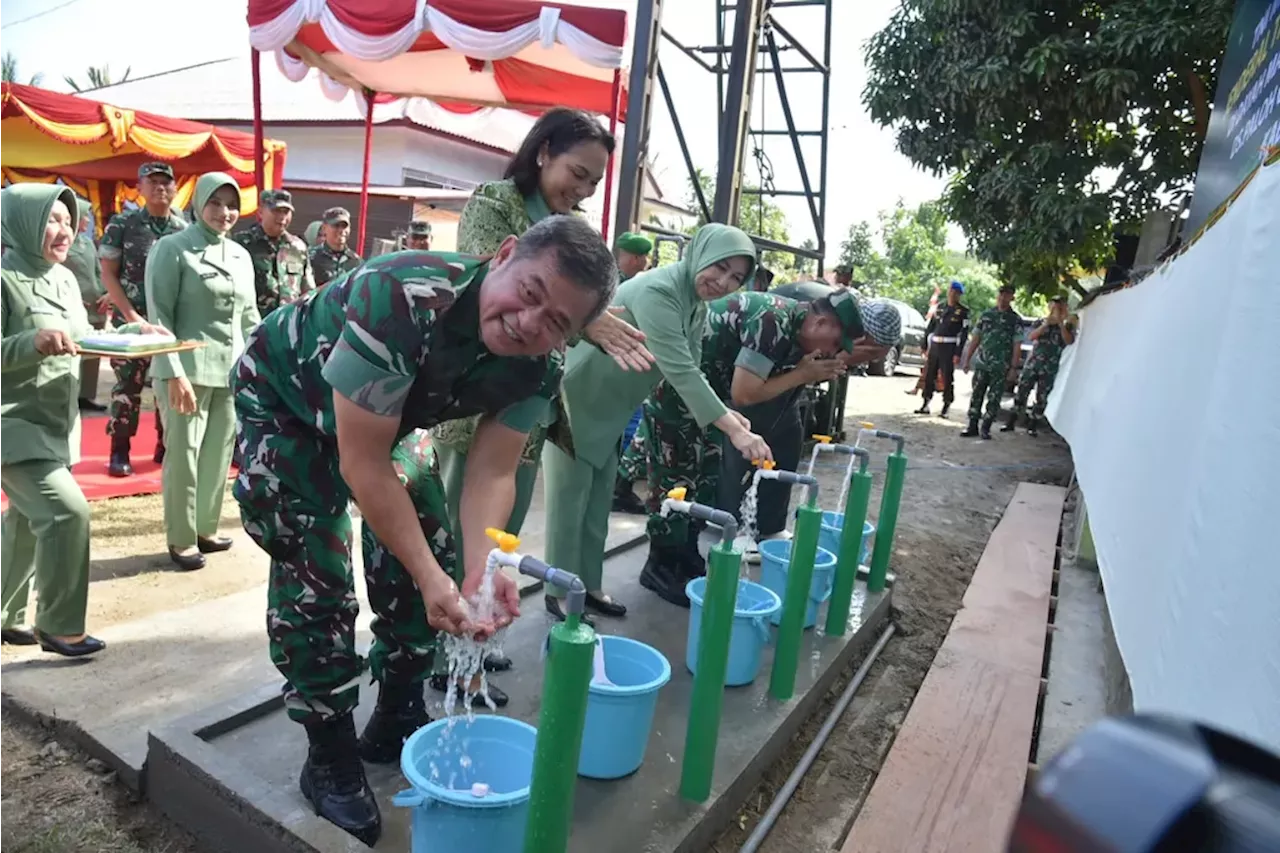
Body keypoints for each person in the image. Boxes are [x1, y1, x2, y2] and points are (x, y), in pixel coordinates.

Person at [231, 214, 616, 844]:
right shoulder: (405, 296)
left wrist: (476, 570)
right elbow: (362, 465)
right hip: (288, 405)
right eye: (530, 294)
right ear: (505, 254)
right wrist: (434, 573)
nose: (529, 324)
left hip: (386, 418)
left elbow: (493, 473)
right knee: (317, 570)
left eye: (557, 324)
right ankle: (328, 751)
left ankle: (398, 709)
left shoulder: (538, 369)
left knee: (431, 553)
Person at [428, 107, 653, 628]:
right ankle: (445, 647)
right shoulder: (497, 202)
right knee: (460, 527)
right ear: (544, 151)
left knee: (500, 532)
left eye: (594, 182)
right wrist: (584, 323)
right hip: (475, 394)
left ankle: (478, 638)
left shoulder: (575, 228)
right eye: (578, 174)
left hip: (530, 402)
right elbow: (482, 273)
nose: (585, 191)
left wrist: (589, 317)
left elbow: (593, 300)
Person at [543, 223, 773, 625]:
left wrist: (728, 415)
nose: (723, 282)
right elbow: (680, 370)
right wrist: (735, 431)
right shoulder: (659, 291)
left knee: (597, 503)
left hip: (612, 407)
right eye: (719, 268)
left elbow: (693, 371)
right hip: (576, 402)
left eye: (736, 277)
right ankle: (559, 592)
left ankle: (589, 586)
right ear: (700, 253)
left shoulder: (695, 305)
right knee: (569, 504)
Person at [638, 289, 901, 605]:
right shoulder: (771, 320)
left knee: (704, 481)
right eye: (835, 344)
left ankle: (684, 556)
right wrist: (802, 374)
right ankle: (659, 566)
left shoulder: (800, 330)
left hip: (709, 403)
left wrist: (804, 371)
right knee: (675, 480)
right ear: (819, 322)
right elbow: (746, 393)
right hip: (679, 394)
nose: (836, 353)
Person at [0, 185, 163, 657]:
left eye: (69, 222)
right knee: (66, 513)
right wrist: (29, 343)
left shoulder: (65, 279)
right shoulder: (4, 278)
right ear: (22, 223)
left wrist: (133, 333)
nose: (64, 231)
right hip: (13, 425)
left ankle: (5, 615)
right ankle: (59, 625)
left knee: (28, 525)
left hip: (57, 424)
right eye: (51, 220)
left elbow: (85, 338)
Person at [147, 174, 260, 571]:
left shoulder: (240, 256)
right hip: (186, 372)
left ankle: (205, 529)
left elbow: (250, 318)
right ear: (197, 203)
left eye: (232, 205)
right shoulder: (173, 248)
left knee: (218, 454)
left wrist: (257, 366)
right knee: (185, 455)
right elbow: (159, 316)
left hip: (228, 372)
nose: (224, 213)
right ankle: (181, 538)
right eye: (215, 203)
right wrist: (173, 371)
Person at [99, 162, 186, 477]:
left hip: (170, 323)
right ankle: (119, 449)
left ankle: (165, 445)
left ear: (175, 189)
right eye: (153, 182)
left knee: (167, 384)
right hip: (133, 320)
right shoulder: (123, 223)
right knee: (127, 387)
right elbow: (108, 274)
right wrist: (132, 316)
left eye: (166, 182)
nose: (160, 188)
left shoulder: (184, 228)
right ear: (140, 187)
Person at [234, 189, 313, 316]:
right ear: (260, 212)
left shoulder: (298, 247)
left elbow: (308, 290)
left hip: (289, 324)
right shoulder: (242, 243)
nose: (282, 217)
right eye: (276, 211)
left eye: (286, 212)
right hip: (255, 324)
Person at [1003, 295, 1074, 437]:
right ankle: (1012, 421)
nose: (1056, 309)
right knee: (1022, 391)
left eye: (1060, 306)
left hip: (1049, 366)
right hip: (1033, 363)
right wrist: (1046, 324)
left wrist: (1060, 323)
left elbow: (1069, 341)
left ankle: (1033, 425)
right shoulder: (1041, 321)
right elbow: (1031, 337)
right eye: (1054, 306)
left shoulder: (1067, 326)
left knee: (1042, 397)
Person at [961, 283, 1022, 439]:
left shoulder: (1014, 320)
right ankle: (972, 425)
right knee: (977, 394)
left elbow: (1017, 344)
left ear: (1012, 297)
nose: (1003, 297)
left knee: (994, 397)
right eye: (1001, 294)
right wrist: (967, 359)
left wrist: (1014, 368)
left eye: (1007, 294)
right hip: (982, 363)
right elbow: (976, 337)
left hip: (1001, 366)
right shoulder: (987, 315)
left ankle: (986, 427)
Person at [63, 198, 107, 413]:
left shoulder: (87, 242)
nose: (88, 220)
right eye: (85, 216)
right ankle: (69, 396)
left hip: (95, 305)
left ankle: (86, 395)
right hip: (73, 306)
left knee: (94, 355)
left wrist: (105, 294)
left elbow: (99, 272)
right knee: (74, 353)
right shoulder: (61, 242)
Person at [916, 280, 971, 418]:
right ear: (948, 291)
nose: (953, 295)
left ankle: (946, 405)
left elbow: (963, 334)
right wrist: (924, 345)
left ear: (959, 295)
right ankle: (925, 403)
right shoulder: (940, 307)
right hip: (935, 345)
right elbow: (930, 327)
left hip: (949, 347)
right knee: (929, 375)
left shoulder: (963, 312)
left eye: (957, 293)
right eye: (952, 291)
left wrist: (958, 353)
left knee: (947, 377)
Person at [308, 207, 361, 287]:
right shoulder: (311, 257)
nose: (341, 230)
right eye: (336, 226)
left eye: (344, 226)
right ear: (324, 228)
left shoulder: (356, 261)